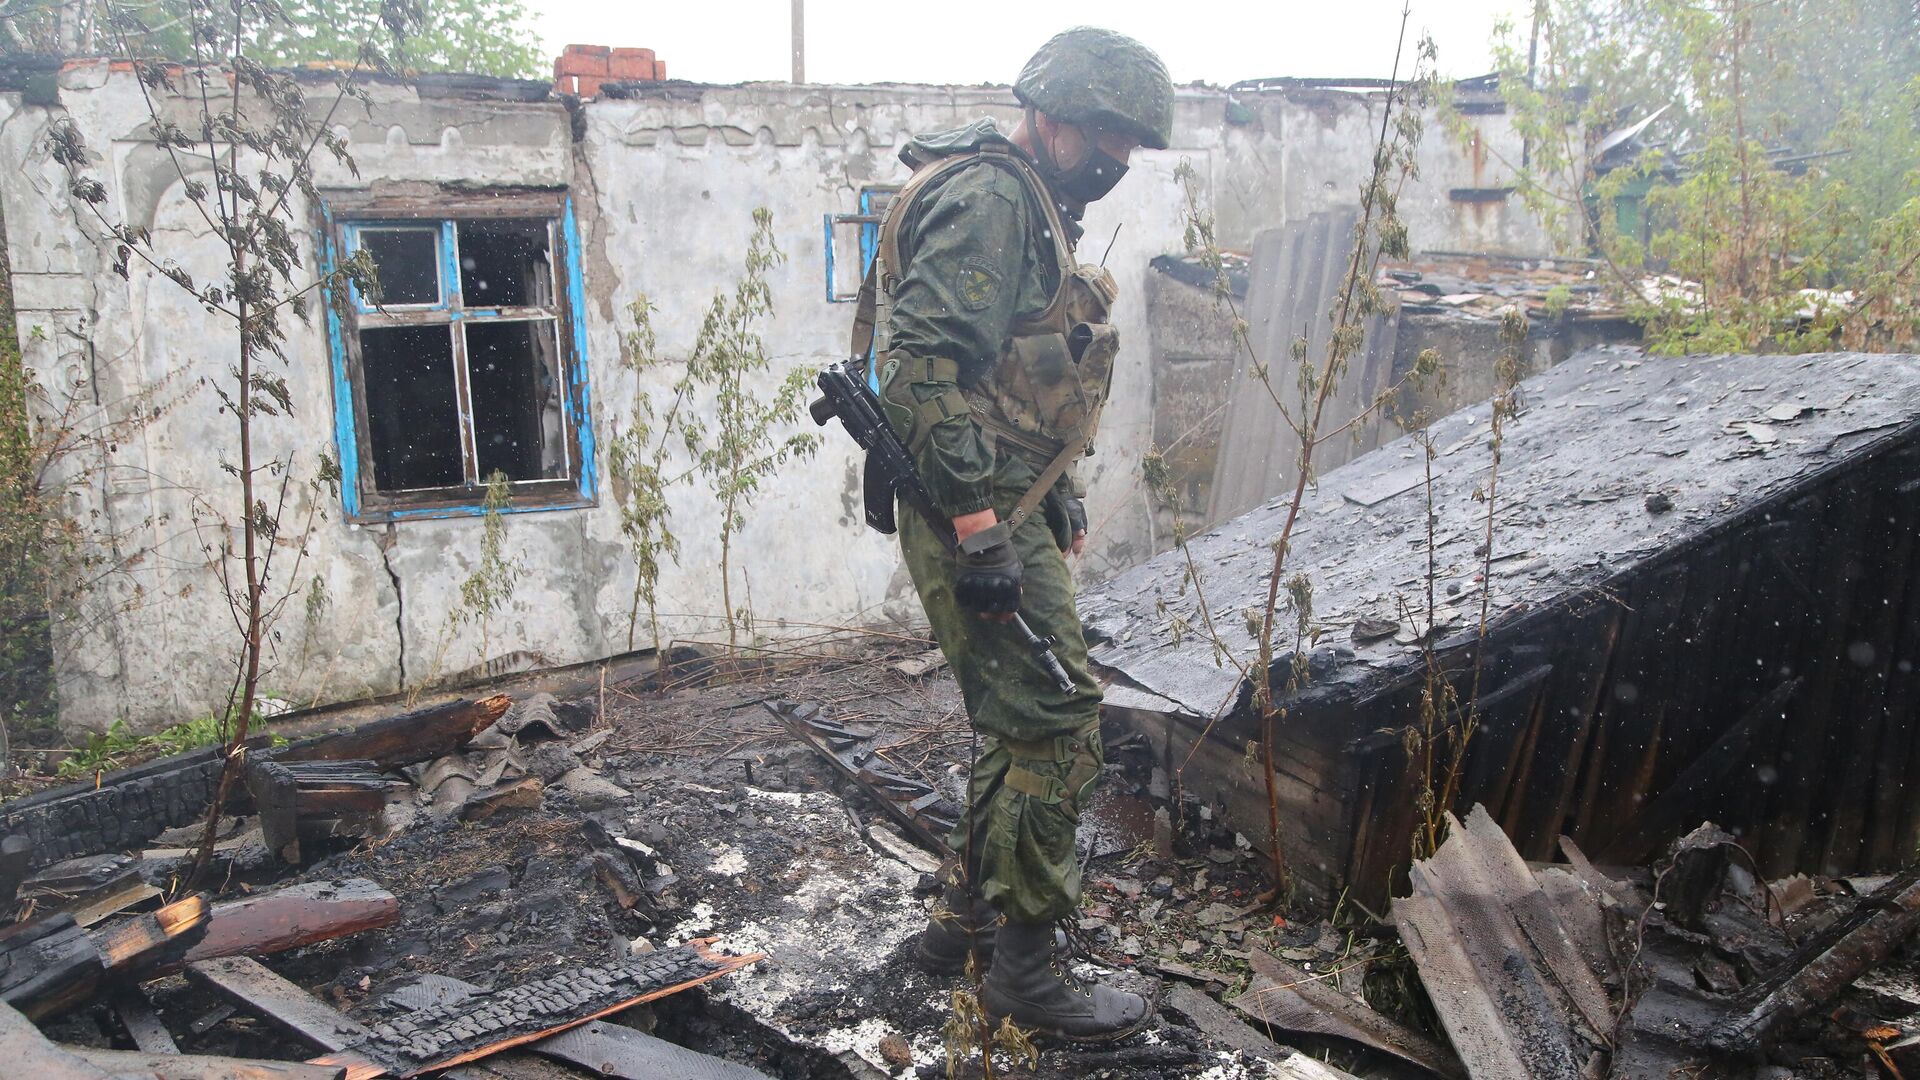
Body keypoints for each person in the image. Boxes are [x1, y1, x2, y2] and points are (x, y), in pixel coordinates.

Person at [856, 26, 1173, 1043]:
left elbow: (1015, 377)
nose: (1118, 158)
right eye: (1104, 134)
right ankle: (1026, 970)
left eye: (1132, 141)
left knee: (1017, 715)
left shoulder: (1032, 198)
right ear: (1049, 114)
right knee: (1056, 719)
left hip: (999, 494)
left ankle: (963, 923)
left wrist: (1052, 496)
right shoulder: (994, 198)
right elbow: (918, 369)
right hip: (970, 507)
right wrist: (981, 526)